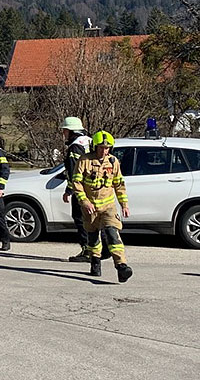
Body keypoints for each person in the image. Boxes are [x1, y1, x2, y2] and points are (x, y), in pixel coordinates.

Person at [73, 131, 133, 282]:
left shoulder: (113, 162)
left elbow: (119, 184)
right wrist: (84, 202)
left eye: (107, 148)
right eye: (101, 148)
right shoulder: (84, 160)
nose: (104, 151)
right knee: (93, 237)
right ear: (95, 147)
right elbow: (76, 183)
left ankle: (121, 266)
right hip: (90, 208)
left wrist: (124, 205)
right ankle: (95, 261)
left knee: (113, 233)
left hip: (108, 206)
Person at [59, 117, 93, 263]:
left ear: (71, 131)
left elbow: (74, 172)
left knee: (80, 220)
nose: (64, 134)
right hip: (93, 188)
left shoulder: (74, 147)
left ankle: (87, 250)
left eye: (65, 131)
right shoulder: (90, 141)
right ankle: (96, 249)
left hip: (81, 191)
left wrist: (69, 190)